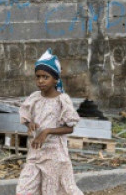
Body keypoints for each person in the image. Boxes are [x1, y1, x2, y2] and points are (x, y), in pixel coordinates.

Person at [15, 49, 83, 195]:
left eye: (45, 77)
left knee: (52, 190)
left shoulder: (62, 100)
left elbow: (69, 128)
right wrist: (30, 124)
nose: (40, 81)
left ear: (55, 79)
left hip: (54, 156)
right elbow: (26, 116)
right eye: (38, 77)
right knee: (24, 188)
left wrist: (46, 131)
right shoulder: (34, 98)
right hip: (36, 151)